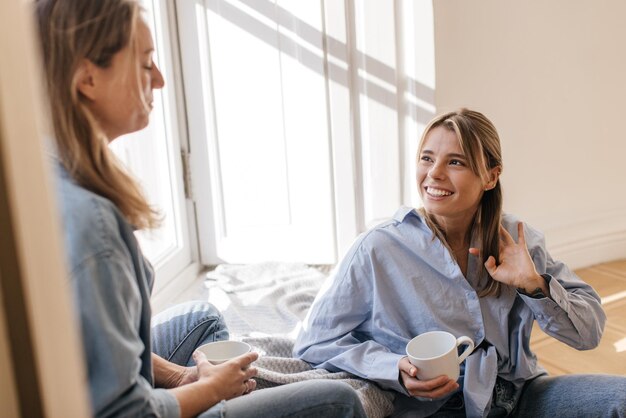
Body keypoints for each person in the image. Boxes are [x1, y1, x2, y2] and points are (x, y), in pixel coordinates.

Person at [35, 0, 366, 417]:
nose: (159, 79)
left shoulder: (48, 169)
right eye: (145, 63)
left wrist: (181, 378)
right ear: (87, 78)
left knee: (203, 319)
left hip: (88, 379)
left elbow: (93, 338)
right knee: (339, 401)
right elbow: (126, 413)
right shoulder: (94, 226)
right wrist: (209, 392)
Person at [294, 108, 626, 417]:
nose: (434, 173)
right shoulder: (378, 248)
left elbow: (589, 333)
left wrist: (534, 286)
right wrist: (393, 367)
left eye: (456, 162)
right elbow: (314, 341)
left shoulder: (517, 240)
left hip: (522, 395)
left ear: (491, 177)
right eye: (427, 158)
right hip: (435, 408)